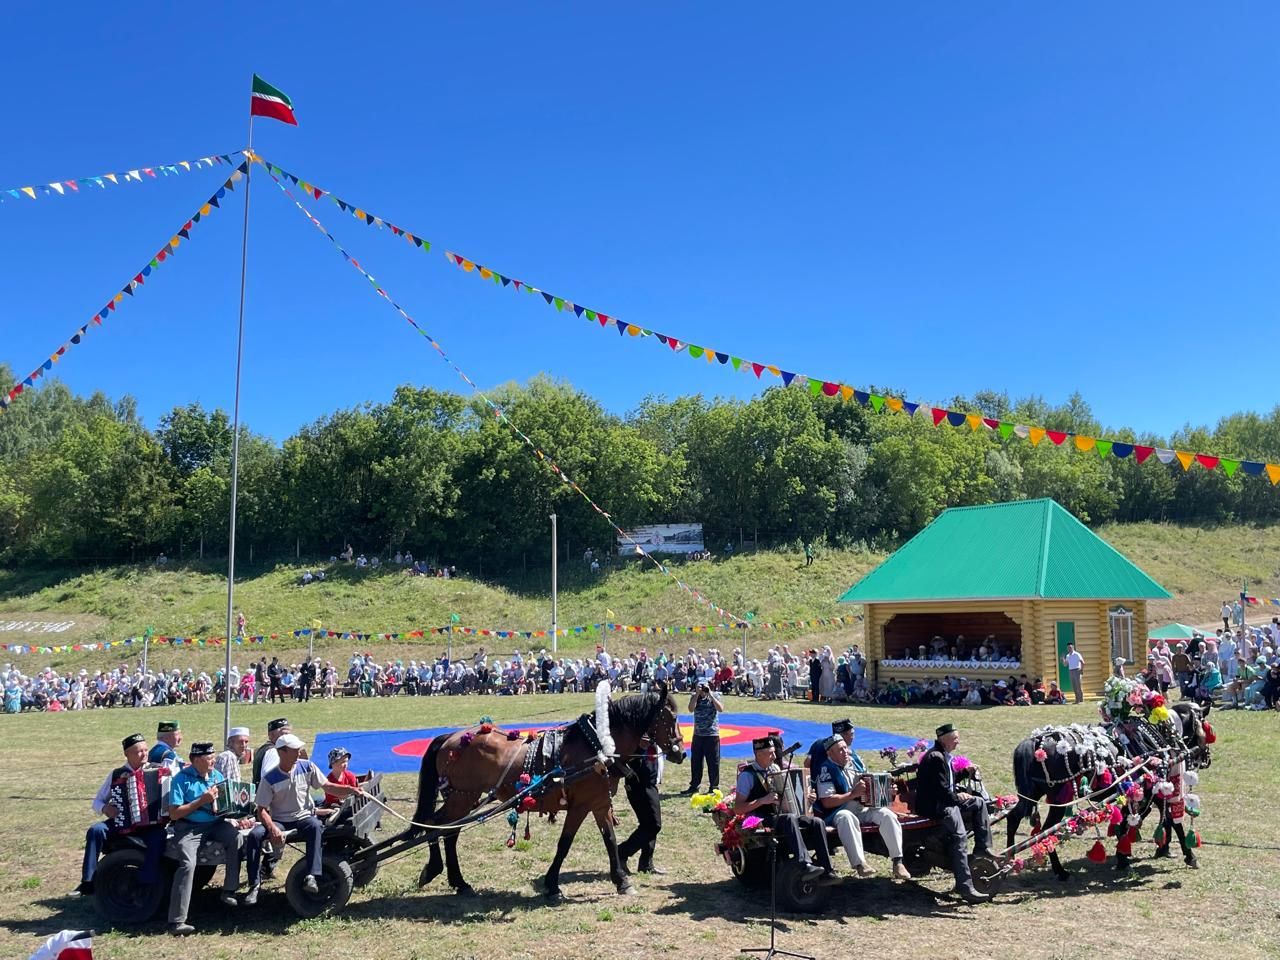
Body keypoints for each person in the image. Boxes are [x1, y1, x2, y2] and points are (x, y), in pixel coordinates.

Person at [167, 742, 256, 934]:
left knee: (236, 838)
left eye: (214, 757)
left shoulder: (217, 776)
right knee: (187, 865)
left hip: (215, 824)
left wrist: (239, 816)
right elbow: (174, 814)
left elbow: (225, 806)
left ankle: (229, 890)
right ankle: (177, 920)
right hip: (189, 828)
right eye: (209, 758)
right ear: (196, 760)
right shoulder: (181, 779)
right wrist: (201, 800)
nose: (214, 761)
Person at [256, 733, 362, 895]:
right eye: (295, 750)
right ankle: (256, 881)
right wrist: (272, 828)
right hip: (281, 820)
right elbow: (261, 808)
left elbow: (327, 786)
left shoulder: (307, 766)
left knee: (314, 825)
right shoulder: (270, 777)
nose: (299, 752)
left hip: (303, 817)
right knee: (257, 835)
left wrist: (351, 790)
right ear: (282, 752)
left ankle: (311, 875)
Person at [734, 736, 837, 884]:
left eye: (774, 752)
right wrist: (763, 800)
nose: (775, 756)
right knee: (788, 818)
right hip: (762, 817)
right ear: (758, 755)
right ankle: (804, 864)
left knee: (817, 822)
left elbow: (788, 793)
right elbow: (738, 808)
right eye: (770, 753)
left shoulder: (775, 769)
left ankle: (827, 870)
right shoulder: (747, 776)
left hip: (783, 814)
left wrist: (808, 797)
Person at [78, 733, 167, 896]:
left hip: (150, 825)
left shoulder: (159, 770)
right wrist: (105, 809)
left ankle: (146, 883)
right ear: (127, 754)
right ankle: (88, 881)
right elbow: (97, 801)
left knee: (159, 836)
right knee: (96, 831)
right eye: (138, 751)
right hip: (122, 822)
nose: (144, 754)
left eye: (146, 750)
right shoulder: (117, 774)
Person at [913, 722, 993, 903]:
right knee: (960, 837)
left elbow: (947, 780)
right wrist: (959, 797)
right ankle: (966, 888)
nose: (958, 742)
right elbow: (942, 791)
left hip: (945, 801)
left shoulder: (942, 756)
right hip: (938, 807)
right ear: (945, 739)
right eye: (955, 738)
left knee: (979, 803)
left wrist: (965, 773)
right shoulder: (935, 758)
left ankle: (982, 850)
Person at [813, 734, 911, 880]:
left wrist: (888, 792)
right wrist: (853, 794)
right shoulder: (825, 770)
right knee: (847, 817)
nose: (845, 752)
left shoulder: (856, 763)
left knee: (887, 814)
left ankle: (898, 861)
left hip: (863, 809)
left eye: (845, 748)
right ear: (829, 753)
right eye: (840, 750)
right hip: (837, 812)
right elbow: (827, 801)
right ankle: (860, 864)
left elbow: (872, 791)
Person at [616, 734, 664, 876]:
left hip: (650, 781)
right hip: (638, 784)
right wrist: (639, 745)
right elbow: (623, 756)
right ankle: (622, 852)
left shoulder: (653, 729)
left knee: (648, 824)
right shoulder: (635, 730)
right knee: (653, 824)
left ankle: (646, 863)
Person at [683, 681, 723, 794]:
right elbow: (691, 709)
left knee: (713, 762)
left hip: (712, 734)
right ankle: (694, 785)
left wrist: (710, 694)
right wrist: (696, 694)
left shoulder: (715, 695)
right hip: (698, 735)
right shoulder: (694, 697)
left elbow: (720, 709)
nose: (703, 690)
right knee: (696, 762)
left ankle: (714, 787)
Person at [252, 717, 293, 786]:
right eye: (284, 734)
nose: (287, 738)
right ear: (271, 735)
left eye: (289, 734)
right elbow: (269, 778)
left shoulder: (265, 749)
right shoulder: (273, 751)